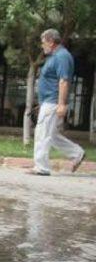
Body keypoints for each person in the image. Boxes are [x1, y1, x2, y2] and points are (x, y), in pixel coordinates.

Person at [31, 29, 85, 176]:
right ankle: (77, 153)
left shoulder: (62, 56)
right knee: (52, 135)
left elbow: (64, 81)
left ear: (51, 41)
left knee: (42, 133)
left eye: (43, 43)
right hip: (49, 101)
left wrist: (61, 104)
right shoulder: (55, 56)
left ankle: (41, 167)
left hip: (53, 101)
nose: (42, 46)